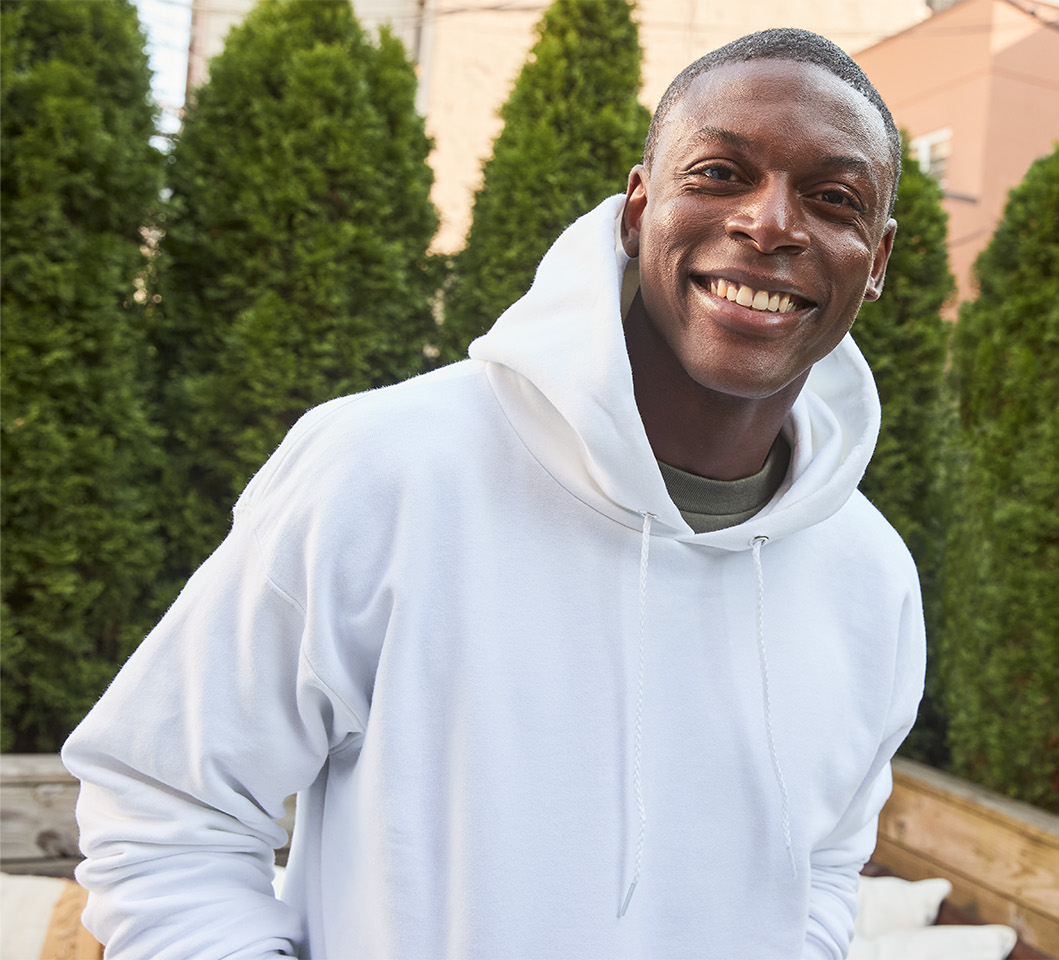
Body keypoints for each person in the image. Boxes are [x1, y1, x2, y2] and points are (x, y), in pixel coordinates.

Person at [62, 27, 924, 960]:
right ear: (638, 211)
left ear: (875, 260)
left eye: (833, 199)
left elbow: (823, 869)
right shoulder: (386, 470)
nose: (772, 223)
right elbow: (165, 808)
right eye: (719, 174)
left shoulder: (870, 577)